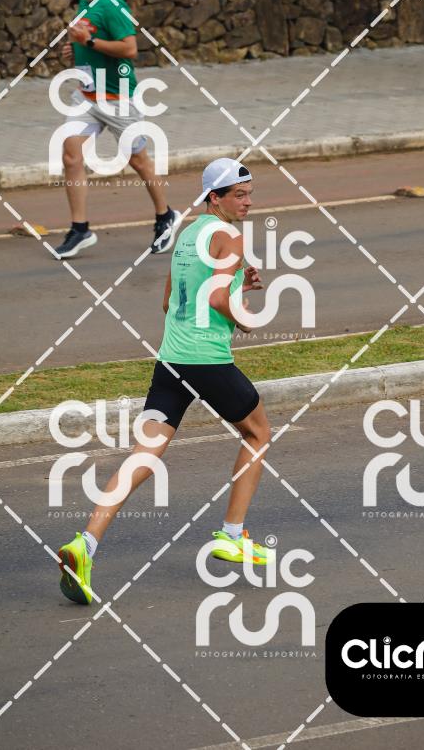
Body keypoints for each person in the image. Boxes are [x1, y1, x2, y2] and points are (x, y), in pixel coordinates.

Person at [58, 158, 273, 605]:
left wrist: (239, 285)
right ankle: (232, 534)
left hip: (171, 360)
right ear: (215, 197)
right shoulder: (230, 236)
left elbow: (169, 301)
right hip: (207, 361)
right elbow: (217, 298)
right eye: (239, 194)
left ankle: (85, 544)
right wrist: (247, 318)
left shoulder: (188, 234)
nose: (248, 202)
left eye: (250, 193)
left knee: (144, 454)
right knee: (258, 433)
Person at [55, 0, 180, 258]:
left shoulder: (112, 5)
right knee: (71, 155)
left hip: (117, 98)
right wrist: (74, 51)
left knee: (138, 161)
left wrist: (89, 42)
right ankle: (80, 229)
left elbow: (129, 49)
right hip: (87, 96)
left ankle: (165, 216)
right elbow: (88, 44)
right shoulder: (85, 3)